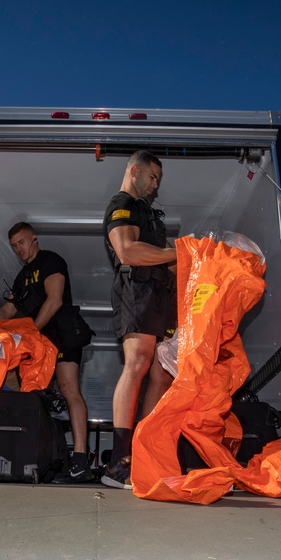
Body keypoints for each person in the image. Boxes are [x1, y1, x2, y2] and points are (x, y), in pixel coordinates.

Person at [0, 222, 94, 482]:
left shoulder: (50, 260)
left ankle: (81, 459)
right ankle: (38, 454)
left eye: (22, 243)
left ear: (34, 239)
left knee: (69, 388)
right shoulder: (21, 277)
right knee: (31, 395)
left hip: (60, 335)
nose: (18, 249)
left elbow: (55, 299)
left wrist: (32, 332)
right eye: (14, 246)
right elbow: (7, 311)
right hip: (37, 343)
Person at [101, 150, 178, 489]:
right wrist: (178, 253)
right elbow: (128, 251)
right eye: (153, 177)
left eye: (158, 180)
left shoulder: (149, 214)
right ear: (135, 171)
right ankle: (119, 462)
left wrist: (199, 259)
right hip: (138, 288)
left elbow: (169, 261)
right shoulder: (123, 204)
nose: (155, 185)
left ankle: (142, 452)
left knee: (163, 373)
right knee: (138, 362)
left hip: (162, 296)